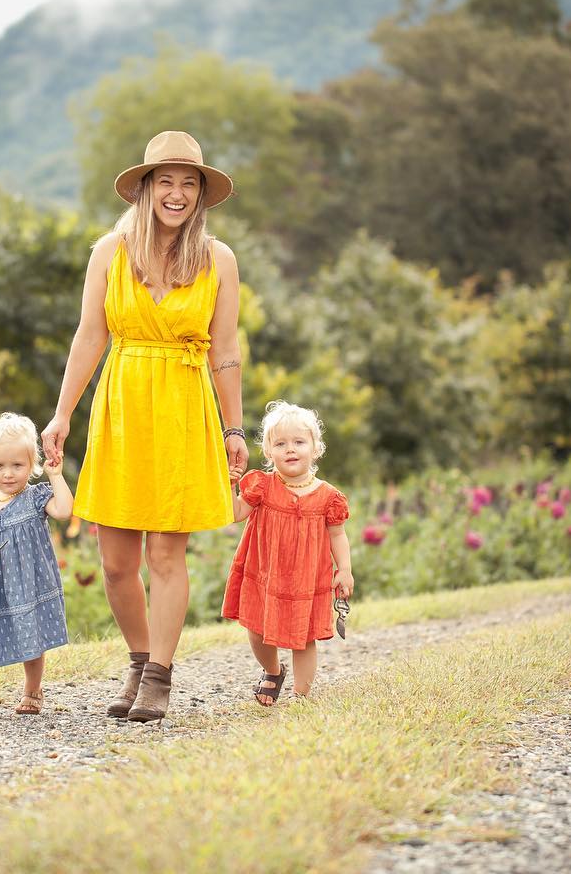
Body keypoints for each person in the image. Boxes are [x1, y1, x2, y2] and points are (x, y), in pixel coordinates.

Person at [41, 131, 247, 722]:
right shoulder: (109, 251)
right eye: (166, 182)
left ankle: (160, 674)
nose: (177, 194)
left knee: (166, 554)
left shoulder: (218, 260)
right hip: (123, 400)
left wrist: (234, 429)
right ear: (146, 189)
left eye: (188, 184)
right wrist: (62, 414)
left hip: (184, 403)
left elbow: (226, 350)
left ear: (201, 195)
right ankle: (137, 660)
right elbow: (90, 335)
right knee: (114, 559)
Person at [222, 400, 354, 705]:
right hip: (265, 574)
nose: (290, 449)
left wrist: (344, 570)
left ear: (315, 448)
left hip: (306, 578)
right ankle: (272, 669)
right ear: (269, 452)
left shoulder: (328, 497)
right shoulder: (262, 486)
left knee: (303, 637)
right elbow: (236, 513)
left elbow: (338, 535)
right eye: (280, 444)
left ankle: (300, 696)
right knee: (256, 629)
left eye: (298, 442)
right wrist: (229, 487)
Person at [0, 413, 74, 718]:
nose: (8, 474)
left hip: (28, 587)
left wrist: (56, 476)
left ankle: (33, 691)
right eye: (0, 466)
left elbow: (63, 510)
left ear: (31, 463)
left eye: (17, 466)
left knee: (32, 639)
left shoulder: (35, 499)